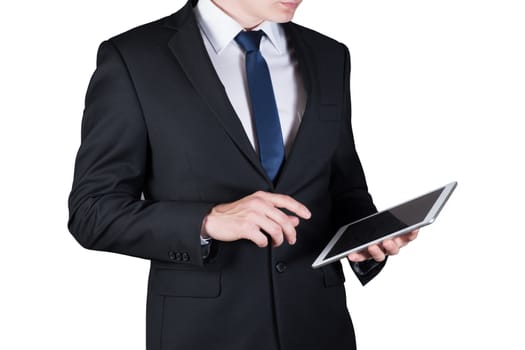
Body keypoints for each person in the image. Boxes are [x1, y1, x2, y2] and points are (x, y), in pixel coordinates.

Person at [68, 0, 418, 349]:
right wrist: (207, 221)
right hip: (205, 333)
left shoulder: (329, 55)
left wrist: (366, 234)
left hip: (319, 327)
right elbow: (92, 212)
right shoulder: (134, 58)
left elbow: (344, 188)